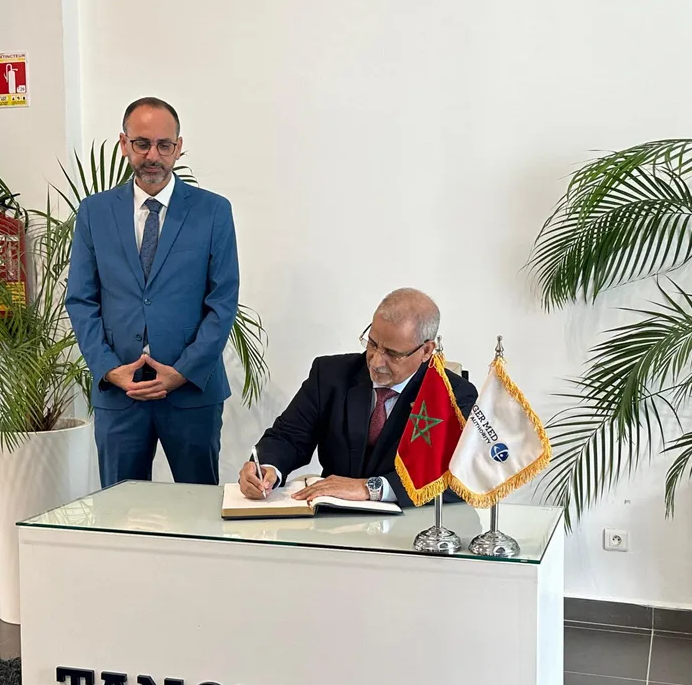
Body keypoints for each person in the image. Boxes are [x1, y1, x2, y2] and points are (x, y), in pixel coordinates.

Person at [67, 97, 239, 487]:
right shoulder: (94, 212)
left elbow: (223, 302)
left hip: (192, 391)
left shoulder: (213, 211)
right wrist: (109, 368)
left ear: (179, 147)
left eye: (164, 145)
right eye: (142, 144)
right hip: (119, 392)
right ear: (124, 144)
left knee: (198, 507)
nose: (153, 156)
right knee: (119, 509)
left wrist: (182, 371)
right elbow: (81, 299)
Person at [239, 288, 477, 506]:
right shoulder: (330, 374)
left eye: (392, 354)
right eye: (372, 344)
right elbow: (288, 437)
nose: (376, 361)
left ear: (425, 351)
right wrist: (266, 468)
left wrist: (371, 488)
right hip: (333, 521)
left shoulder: (453, 396)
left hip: (411, 524)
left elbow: (461, 476)